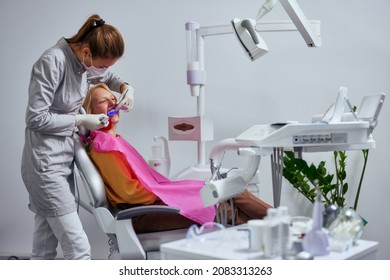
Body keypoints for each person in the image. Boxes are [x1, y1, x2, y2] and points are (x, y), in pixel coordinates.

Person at [82, 83, 272, 234]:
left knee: (232, 191)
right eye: (103, 101)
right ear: (90, 111)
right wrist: (174, 196)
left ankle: (285, 228)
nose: (113, 103)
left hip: (153, 205)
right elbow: (129, 192)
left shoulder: (113, 140)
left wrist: (177, 192)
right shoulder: (104, 146)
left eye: (114, 99)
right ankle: (286, 228)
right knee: (228, 206)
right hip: (141, 215)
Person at [21, 14, 134, 260]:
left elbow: (107, 77)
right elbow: (35, 118)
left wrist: (125, 87)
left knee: (43, 249)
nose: (103, 72)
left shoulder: (81, 63)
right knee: (79, 250)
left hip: (62, 161)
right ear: (85, 52)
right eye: (103, 65)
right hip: (45, 165)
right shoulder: (53, 62)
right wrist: (80, 120)